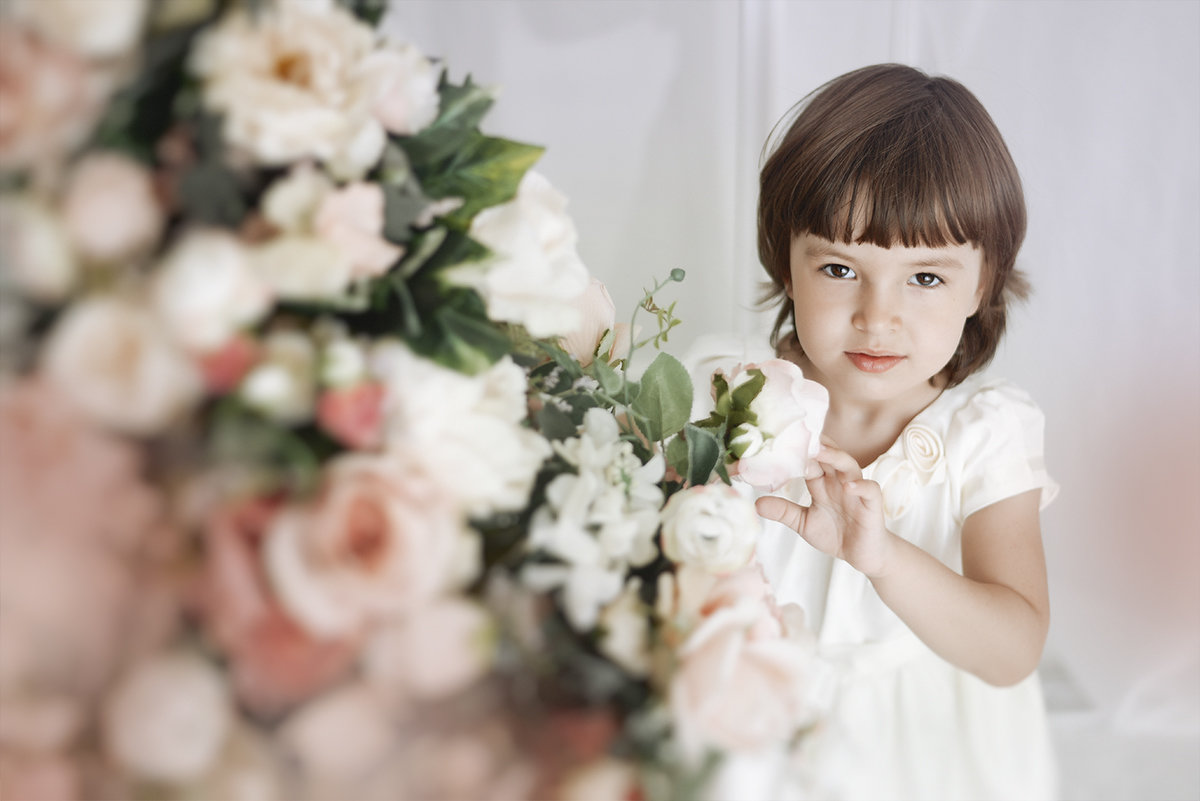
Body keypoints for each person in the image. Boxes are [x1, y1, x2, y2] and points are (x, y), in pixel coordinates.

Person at [694, 63, 1060, 800]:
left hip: (927, 754)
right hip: (757, 717)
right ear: (785, 262)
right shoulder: (724, 394)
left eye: (925, 278)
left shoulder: (983, 435)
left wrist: (884, 556)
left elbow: (1012, 648)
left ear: (982, 282)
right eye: (838, 267)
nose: (877, 315)